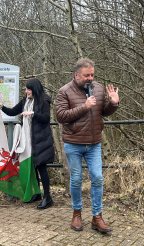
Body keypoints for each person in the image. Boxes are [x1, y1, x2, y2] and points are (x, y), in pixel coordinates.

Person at [55, 58, 119, 233]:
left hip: (94, 144)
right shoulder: (64, 92)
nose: (90, 78)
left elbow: (103, 112)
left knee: (97, 178)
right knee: (76, 180)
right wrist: (84, 106)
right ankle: (77, 214)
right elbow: (61, 116)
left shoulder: (98, 88)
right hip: (73, 143)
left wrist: (113, 104)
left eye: (92, 74)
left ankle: (97, 217)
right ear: (76, 75)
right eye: (86, 75)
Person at [0, 78, 55, 209]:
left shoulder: (44, 101)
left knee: (41, 167)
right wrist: (1, 107)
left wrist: (33, 114)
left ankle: (48, 197)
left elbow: (46, 119)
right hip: (28, 140)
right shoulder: (25, 101)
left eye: (28, 89)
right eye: (26, 89)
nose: (26, 91)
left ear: (34, 89)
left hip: (40, 141)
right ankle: (37, 193)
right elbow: (13, 111)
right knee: (32, 167)